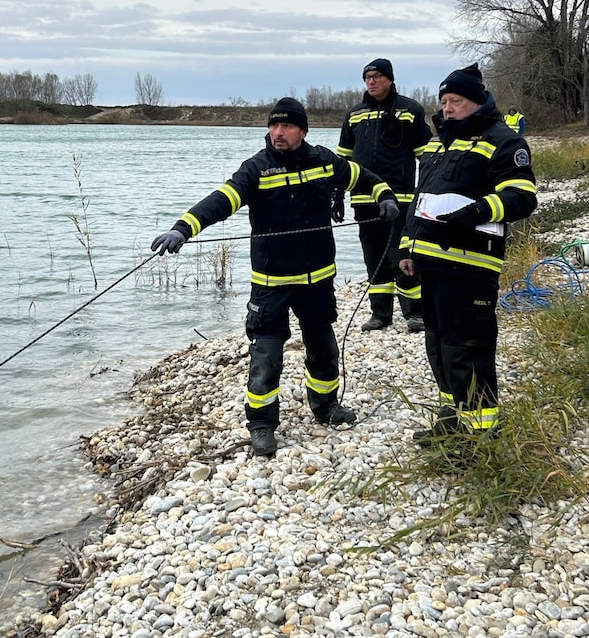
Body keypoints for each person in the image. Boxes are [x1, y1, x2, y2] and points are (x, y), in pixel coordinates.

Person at [151, 97, 399, 458]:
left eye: (286, 127)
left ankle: (326, 406)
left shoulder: (325, 161)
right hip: (271, 283)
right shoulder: (256, 169)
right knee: (267, 354)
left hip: (318, 280)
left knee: (323, 348)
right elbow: (221, 200)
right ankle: (262, 424)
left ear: (302, 131)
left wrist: (385, 196)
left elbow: (364, 176)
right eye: (273, 126)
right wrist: (184, 228)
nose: (278, 133)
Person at [399, 64, 537, 447]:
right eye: (443, 101)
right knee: (440, 349)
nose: (447, 108)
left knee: (468, 352)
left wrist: (474, 212)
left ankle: (480, 439)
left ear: (476, 102)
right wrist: (406, 249)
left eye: (455, 101)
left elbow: (522, 196)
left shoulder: (503, 140)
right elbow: (419, 201)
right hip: (430, 262)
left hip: (471, 266)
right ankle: (451, 424)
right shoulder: (436, 144)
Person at [333, 58, 432, 333]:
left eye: (377, 76)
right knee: (373, 256)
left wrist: (425, 194)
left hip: (401, 199)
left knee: (402, 253)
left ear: (389, 79)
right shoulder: (354, 114)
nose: (372, 82)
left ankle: (415, 312)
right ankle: (380, 314)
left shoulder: (410, 110)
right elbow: (343, 160)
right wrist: (337, 195)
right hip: (364, 200)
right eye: (367, 78)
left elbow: (426, 157)